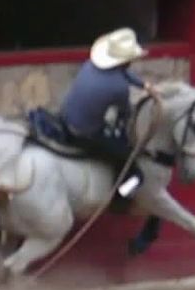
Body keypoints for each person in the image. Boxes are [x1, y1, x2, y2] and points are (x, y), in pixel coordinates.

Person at [58, 27, 156, 208]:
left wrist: (143, 84)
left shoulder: (90, 65)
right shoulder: (119, 88)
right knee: (132, 168)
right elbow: (125, 114)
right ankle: (120, 197)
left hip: (64, 117)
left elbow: (122, 72)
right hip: (84, 133)